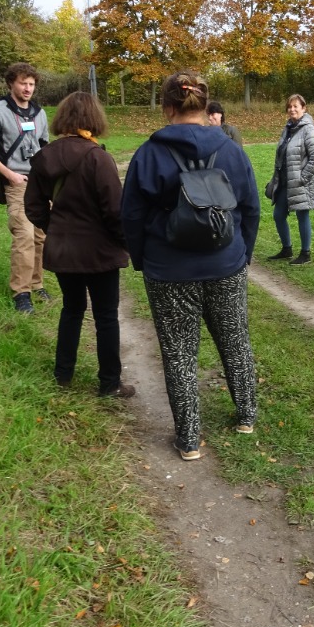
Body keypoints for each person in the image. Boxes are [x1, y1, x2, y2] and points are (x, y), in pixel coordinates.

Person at [121, 71, 260, 461]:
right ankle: (247, 416)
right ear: (204, 104)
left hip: (169, 269)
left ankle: (188, 440)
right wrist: (243, 255)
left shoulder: (148, 154)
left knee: (178, 352)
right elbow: (250, 207)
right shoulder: (232, 151)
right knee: (235, 340)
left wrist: (142, 260)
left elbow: (131, 215)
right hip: (226, 263)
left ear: (167, 107)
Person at [24, 92, 133, 398]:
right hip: (100, 253)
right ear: (94, 118)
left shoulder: (44, 157)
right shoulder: (98, 157)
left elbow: (33, 207)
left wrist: (56, 229)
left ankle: (63, 376)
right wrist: (126, 243)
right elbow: (115, 211)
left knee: (71, 309)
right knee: (106, 316)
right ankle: (110, 383)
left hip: (63, 251)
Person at [0, 62, 50, 314]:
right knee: (24, 235)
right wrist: (10, 175)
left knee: (40, 236)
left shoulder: (39, 113)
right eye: (22, 83)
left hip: (40, 184)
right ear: (11, 83)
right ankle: (21, 293)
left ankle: (37, 284)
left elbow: (44, 147)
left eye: (31, 84)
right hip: (16, 183)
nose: (28, 88)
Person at [266, 94, 314, 266]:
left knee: (302, 215)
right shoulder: (288, 128)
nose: (292, 109)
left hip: (300, 182)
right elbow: (281, 156)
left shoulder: (308, 129)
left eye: (296, 106)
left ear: (304, 108)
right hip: (285, 181)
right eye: (289, 106)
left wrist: (302, 178)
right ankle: (287, 249)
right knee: (278, 215)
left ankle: (305, 253)